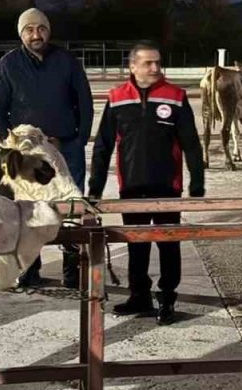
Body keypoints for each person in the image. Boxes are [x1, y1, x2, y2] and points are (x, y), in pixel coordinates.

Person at [88, 41, 205, 325]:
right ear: (132, 66)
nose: (155, 68)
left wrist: (197, 182)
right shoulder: (117, 98)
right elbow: (103, 146)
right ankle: (139, 296)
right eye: (147, 63)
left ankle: (166, 298)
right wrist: (95, 188)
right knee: (136, 244)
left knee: (168, 243)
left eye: (157, 62)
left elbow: (191, 142)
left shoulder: (175, 96)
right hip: (132, 186)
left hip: (167, 185)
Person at [0, 8, 93, 288]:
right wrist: (10, 145)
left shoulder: (67, 61)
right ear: (21, 33)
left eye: (42, 28)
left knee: (71, 210)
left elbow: (84, 102)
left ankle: (73, 270)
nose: (36, 34)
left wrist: (78, 139)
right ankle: (30, 269)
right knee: (27, 210)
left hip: (66, 148)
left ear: (49, 30)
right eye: (29, 29)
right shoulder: (8, 64)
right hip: (26, 157)